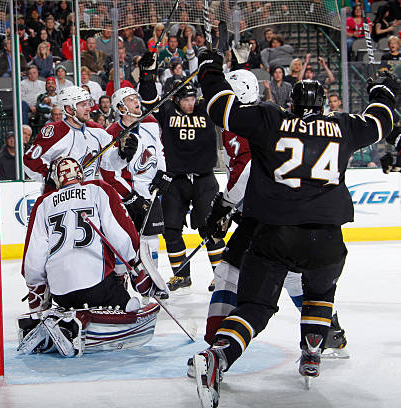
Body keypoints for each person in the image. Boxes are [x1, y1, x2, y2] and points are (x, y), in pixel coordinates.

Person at [192, 50, 397, 407]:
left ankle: (219, 356)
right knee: (320, 292)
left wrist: (210, 68)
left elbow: (220, 109)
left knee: (254, 306)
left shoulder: (271, 121)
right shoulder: (344, 126)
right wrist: (382, 89)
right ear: (323, 106)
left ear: (292, 102)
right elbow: (381, 122)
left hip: (275, 233)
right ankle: (315, 346)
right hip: (327, 237)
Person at [201, 69, 349, 358]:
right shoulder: (266, 117)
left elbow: (251, 170)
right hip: (281, 215)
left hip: (267, 217)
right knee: (295, 277)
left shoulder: (254, 120)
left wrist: (225, 203)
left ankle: (217, 343)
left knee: (230, 273)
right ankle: (329, 333)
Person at [23, 156, 160, 313]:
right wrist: (136, 266)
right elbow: (120, 235)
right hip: (97, 286)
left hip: (61, 293)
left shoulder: (43, 203)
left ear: (57, 180)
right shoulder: (98, 189)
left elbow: (34, 255)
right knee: (129, 306)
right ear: (81, 175)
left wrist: (37, 290)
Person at [137, 52, 225, 292]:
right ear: (176, 100)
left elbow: (225, 97)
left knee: (211, 226)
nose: (190, 102)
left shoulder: (206, 109)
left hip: (205, 179)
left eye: (192, 98)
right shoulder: (167, 113)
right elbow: (149, 101)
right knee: (172, 228)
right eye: (185, 99)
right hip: (176, 180)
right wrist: (146, 76)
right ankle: (181, 275)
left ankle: (220, 275)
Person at [102, 87, 173, 276]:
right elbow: (108, 172)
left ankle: (151, 285)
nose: (136, 101)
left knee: (151, 241)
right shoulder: (111, 132)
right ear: (120, 107)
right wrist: (129, 196)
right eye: (131, 99)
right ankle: (120, 285)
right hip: (125, 196)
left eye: (136, 98)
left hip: (150, 192)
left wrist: (162, 174)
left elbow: (160, 152)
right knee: (122, 240)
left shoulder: (150, 122)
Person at [23, 86, 138, 191]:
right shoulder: (54, 131)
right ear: (68, 109)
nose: (89, 108)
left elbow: (109, 163)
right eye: (83, 105)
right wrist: (51, 176)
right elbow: (29, 161)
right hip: (58, 200)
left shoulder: (97, 131)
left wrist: (122, 154)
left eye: (89, 104)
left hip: (87, 198)